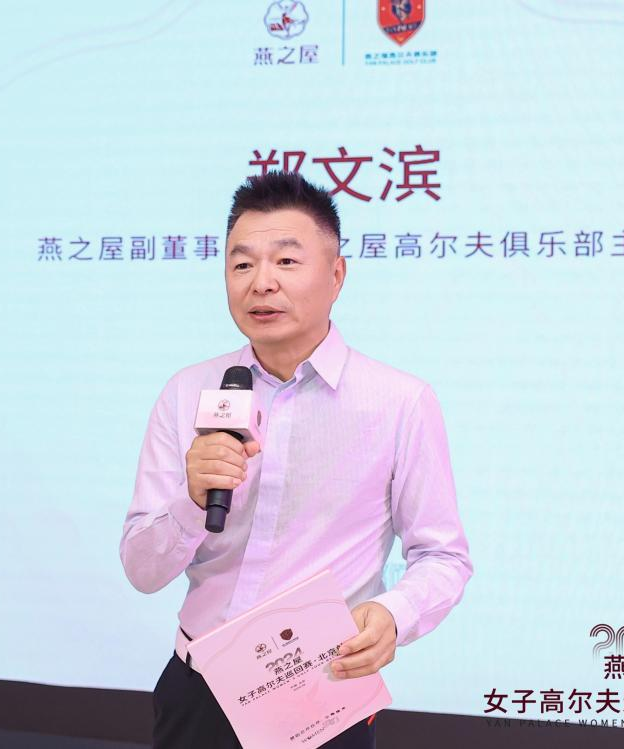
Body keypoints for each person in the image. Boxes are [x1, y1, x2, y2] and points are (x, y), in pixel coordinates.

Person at [119, 171, 473, 749]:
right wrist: (191, 498)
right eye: (241, 264)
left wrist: (394, 613)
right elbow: (142, 569)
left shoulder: (399, 402)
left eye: (286, 261)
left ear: (336, 275)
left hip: (320, 696)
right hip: (197, 692)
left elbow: (443, 555)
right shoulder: (188, 392)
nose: (261, 283)